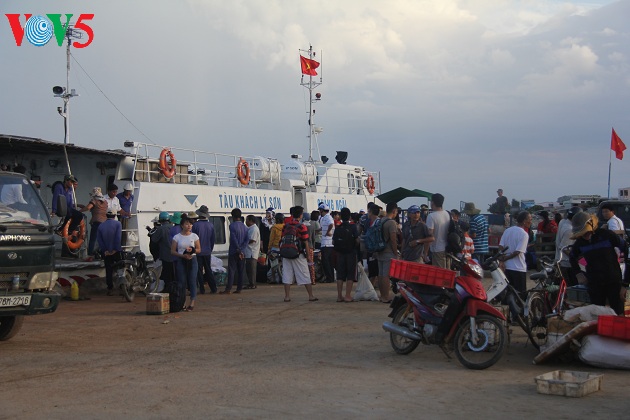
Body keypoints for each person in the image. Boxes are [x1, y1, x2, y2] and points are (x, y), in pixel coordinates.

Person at [570, 212, 626, 315]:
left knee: (618, 313)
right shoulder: (579, 243)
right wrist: (578, 274)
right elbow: (572, 257)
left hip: (613, 280)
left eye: (586, 231)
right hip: (595, 282)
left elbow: (625, 248)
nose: (585, 235)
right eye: (582, 233)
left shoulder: (606, 235)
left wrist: (625, 284)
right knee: (597, 314)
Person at [281, 206, 317, 302]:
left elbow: (282, 238)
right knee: (304, 274)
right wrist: (308, 256)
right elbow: (305, 241)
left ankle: (287, 296)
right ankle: (310, 296)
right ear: (301, 215)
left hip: (286, 253)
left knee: (287, 274)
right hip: (298, 254)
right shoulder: (301, 226)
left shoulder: (286, 226)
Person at [171, 213, 201, 311]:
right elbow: (173, 251)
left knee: (192, 280)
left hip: (192, 260)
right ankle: (182, 302)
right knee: (181, 282)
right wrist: (182, 255)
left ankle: (192, 302)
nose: (189, 226)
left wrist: (193, 250)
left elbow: (199, 249)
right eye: (187, 224)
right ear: (182, 225)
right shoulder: (177, 237)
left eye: (191, 224)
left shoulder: (194, 236)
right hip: (181, 260)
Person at [498, 211, 532, 297]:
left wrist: (503, 259)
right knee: (520, 295)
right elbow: (518, 252)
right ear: (524, 221)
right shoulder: (524, 234)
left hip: (507, 268)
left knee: (509, 294)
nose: (531, 222)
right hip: (518, 268)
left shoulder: (508, 230)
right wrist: (506, 258)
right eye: (530, 219)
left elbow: (501, 246)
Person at [333, 207, 359, 302]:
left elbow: (333, 241)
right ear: (349, 217)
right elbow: (357, 240)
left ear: (340, 216)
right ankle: (348, 295)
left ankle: (339, 296)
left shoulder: (338, 227)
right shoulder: (353, 227)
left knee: (340, 275)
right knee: (350, 274)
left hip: (340, 253)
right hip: (351, 253)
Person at [375, 202, 399, 303]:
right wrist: (395, 252)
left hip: (379, 250)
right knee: (386, 275)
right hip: (388, 251)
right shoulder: (391, 223)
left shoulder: (380, 220)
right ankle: (386, 297)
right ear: (394, 211)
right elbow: (393, 239)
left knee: (381, 274)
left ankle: (382, 295)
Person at [221, 208, 248, 294]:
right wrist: (242, 250)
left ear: (232, 216)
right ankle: (239, 288)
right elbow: (247, 240)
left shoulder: (232, 226)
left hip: (234, 251)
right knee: (241, 271)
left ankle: (228, 288)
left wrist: (238, 249)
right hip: (243, 252)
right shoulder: (245, 227)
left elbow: (233, 239)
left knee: (232, 270)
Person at [97, 211, 122, 296]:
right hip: (116, 251)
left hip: (106, 252)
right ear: (114, 216)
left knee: (109, 270)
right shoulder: (118, 224)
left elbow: (99, 240)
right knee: (120, 269)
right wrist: (115, 249)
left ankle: (110, 288)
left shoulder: (101, 225)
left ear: (106, 215)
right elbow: (118, 238)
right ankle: (122, 287)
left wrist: (105, 250)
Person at [193, 205, 217, 294]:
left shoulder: (195, 225)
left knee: (199, 271)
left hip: (198, 251)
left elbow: (193, 239)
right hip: (207, 251)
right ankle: (213, 288)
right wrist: (210, 249)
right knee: (208, 270)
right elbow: (212, 239)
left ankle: (202, 288)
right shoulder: (211, 225)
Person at [555, 206, 581, 286]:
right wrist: (576, 259)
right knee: (571, 286)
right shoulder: (570, 230)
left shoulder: (562, 222)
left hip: (560, 260)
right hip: (567, 263)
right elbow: (564, 248)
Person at [80, 187, 108, 257]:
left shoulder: (94, 201)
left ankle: (90, 253)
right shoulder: (105, 202)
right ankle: (103, 253)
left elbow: (88, 207)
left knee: (93, 238)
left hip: (97, 222)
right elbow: (95, 208)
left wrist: (79, 211)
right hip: (105, 222)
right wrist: (79, 205)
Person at [150, 212, 176, 284]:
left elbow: (154, 240)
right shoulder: (173, 227)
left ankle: (168, 287)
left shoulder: (161, 229)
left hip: (165, 255)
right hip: (176, 254)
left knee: (167, 273)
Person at [425, 193, 449, 268]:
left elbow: (429, 235)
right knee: (447, 272)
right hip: (447, 248)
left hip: (437, 249)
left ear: (433, 202)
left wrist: (425, 253)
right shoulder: (447, 214)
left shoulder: (431, 216)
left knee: (439, 272)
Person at [319, 203, 335, 283]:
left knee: (326, 261)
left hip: (327, 243)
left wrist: (328, 232)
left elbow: (331, 224)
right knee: (328, 261)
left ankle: (329, 278)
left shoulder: (328, 217)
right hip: (326, 242)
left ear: (322, 210)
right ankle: (330, 277)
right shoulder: (324, 218)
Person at [244, 214, 261, 289]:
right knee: (249, 269)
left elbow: (252, 240)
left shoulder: (254, 229)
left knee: (251, 269)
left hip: (252, 252)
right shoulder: (250, 228)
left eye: (247, 220)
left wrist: (244, 243)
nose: (246, 222)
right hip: (249, 252)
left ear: (251, 221)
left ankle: (252, 284)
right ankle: (251, 283)